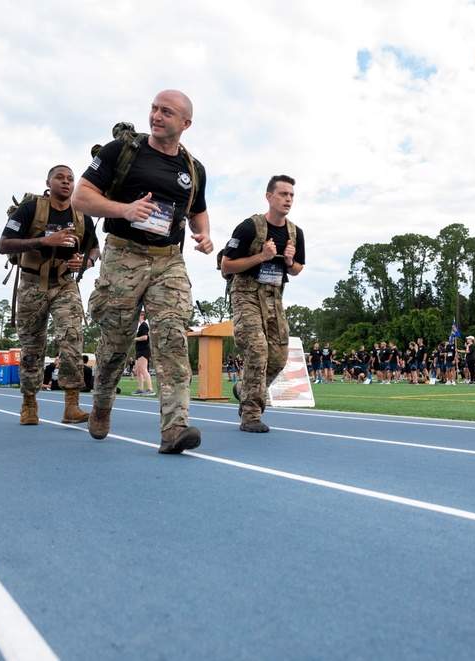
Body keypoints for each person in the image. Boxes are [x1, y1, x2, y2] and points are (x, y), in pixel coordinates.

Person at [74, 89, 212, 454]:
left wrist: (204, 234)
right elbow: (81, 196)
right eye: (154, 108)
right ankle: (101, 404)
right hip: (124, 256)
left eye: (166, 111)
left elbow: (197, 208)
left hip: (169, 260)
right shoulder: (120, 152)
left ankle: (174, 428)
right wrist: (124, 210)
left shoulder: (193, 169)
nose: (156, 115)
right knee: (116, 344)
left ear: (185, 123)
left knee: (171, 338)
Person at [0, 164, 99, 425]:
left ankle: (71, 405)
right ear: (48, 182)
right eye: (60, 178)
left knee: (72, 340)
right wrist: (45, 241)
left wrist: (86, 263)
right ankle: (29, 404)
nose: (66, 182)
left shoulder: (81, 215)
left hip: (65, 284)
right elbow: (4, 245)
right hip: (32, 284)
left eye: (70, 179)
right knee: (32, 347)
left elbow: (95, 249)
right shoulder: (30, 209)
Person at [221, 174, 305, 432]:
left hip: (273, 297)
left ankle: (243, 389)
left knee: (279, 357)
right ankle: (251, 415)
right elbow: (226, 266)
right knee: (257, 349)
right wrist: (261, 256)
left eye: (291, 195)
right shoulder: (249, 227)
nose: (288, 199)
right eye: (283, 194)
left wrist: (290, 262)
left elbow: (298, 269)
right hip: (245, 294)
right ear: (269, 197)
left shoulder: (295, 232)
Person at [133, 310, 154, 396]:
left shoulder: (144, 326)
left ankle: (150, 389)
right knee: (138, 370)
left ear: (142, 316)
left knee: (143, 369)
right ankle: (140, 388)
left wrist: (135, 339)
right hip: (139, 350)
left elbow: (145, 337)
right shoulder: (141, 326)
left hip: (143, 350)